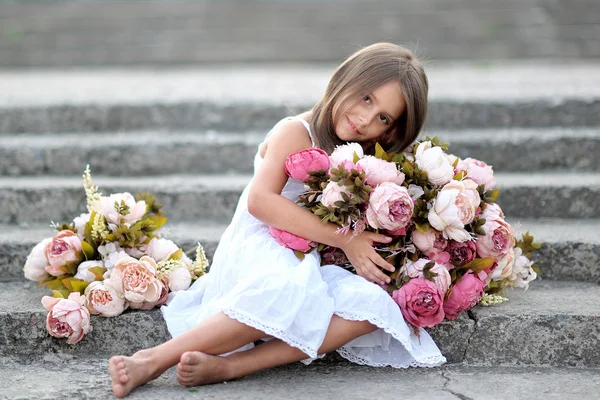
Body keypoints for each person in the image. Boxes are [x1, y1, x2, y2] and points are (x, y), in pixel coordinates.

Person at [109, 42, 446, 398]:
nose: (366, 119)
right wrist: (345, 240)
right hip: (265, 241)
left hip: (311, 253)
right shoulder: (296, 131)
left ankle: (233, 366)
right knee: (285, 286)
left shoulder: (365, 157)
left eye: (383, 117)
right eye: (366, 98)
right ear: (345, 78)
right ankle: (151, 360)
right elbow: (261, 202)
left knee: (374, 306)